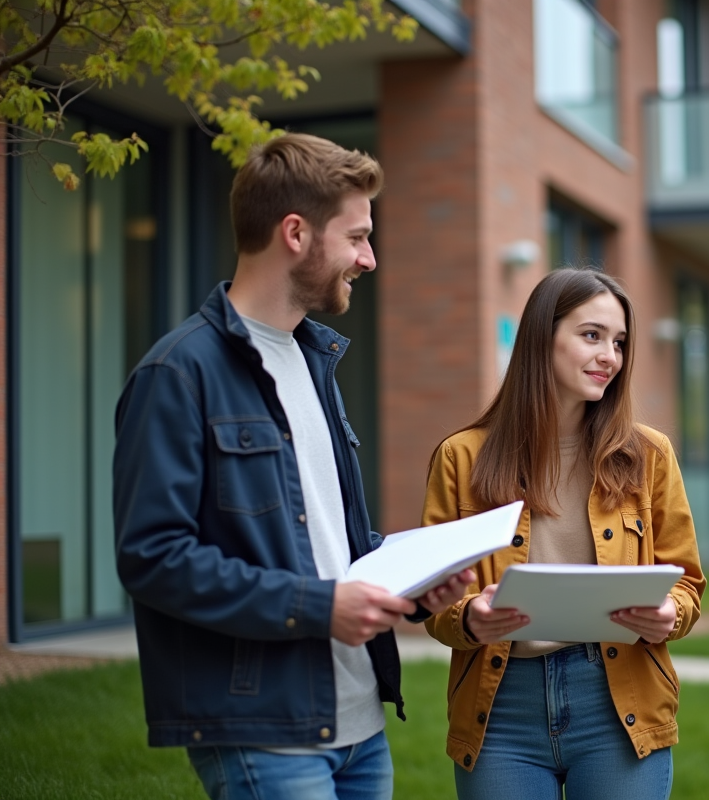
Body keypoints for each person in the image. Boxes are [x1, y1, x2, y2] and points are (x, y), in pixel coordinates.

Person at [113, 133, 473, 800]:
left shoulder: (316, 361)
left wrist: (417, 587)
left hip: (361, 726)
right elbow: (153, 557)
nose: (370, 258)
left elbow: (327, 541)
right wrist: (317, 606)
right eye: (358, 237)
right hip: (264, 730)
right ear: (296, 233)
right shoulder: (177, 373)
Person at [422, 267, 705, 800]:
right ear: (540, 337)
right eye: (591, 335)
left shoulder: (649, 455)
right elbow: (435, 600)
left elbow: (686, 583)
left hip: (619, 703)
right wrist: (470, 618)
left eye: (618, 342)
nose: (610, 357)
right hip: (501, 709)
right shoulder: (461, 458)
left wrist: (668, 613)